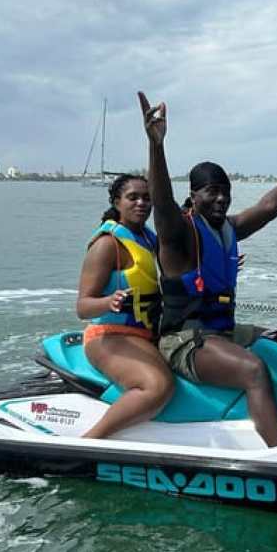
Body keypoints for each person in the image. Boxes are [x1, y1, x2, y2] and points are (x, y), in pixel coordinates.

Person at [137, 91, 277, 447]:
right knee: (253, 371)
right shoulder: (178, 233)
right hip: (184, 340)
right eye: (212, 192)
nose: (222, 199)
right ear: (193, 195)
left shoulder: (227, 228)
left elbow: (269, 206)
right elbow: (162, 202)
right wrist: (156, 146)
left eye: (225, 192)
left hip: (222, 332)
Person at [75, 174, 174, 438]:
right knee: (157, 386)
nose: (141, 203)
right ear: (117, 202)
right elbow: (82, 307)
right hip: (109, 334)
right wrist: (109, 301)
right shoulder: (108, 245)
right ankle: (89, 443)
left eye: (147, 197)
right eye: (133, 197)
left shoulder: (147, 239)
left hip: (145, 333)